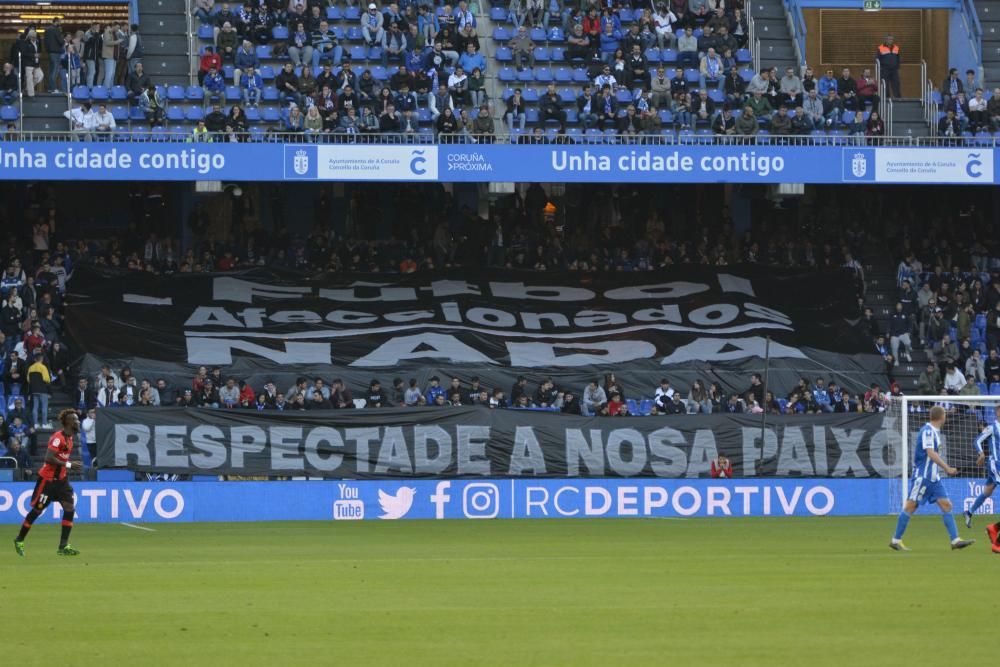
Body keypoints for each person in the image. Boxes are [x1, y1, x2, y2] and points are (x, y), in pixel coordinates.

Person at [889, 406, 974, 551]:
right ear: (942, 417)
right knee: (910, 506)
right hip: (923, 477)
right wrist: (947, 468)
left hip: (934, 478)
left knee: (946, 505)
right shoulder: (928, 431)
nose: (946, 417)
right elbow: (930, 453)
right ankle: (896, 540)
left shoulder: (935, 431)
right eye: (945, 415)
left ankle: (955, 540)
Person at [13, 409, 83, 557]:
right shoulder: (58, 438)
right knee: (37, 511)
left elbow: (60, 459)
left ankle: (63, 545)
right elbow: (48, 458)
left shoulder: (70, 438)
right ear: (68, 422)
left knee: (70, 508)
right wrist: (69, 465)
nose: (78, 422)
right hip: (48, 481)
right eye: (75, 419)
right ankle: (19, 539)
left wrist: (65, 468)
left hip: (62, 482)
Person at [968, 407, 1000, 548]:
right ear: (998, 412)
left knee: (987, 491)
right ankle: (997, 543)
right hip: (995, 464)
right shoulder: (992, 428)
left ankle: (969, 511)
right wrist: (981, 454)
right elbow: (977, 441)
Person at [877, 34, 900, 99]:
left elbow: (898, 58)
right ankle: (886, 97)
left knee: (896, 83)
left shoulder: (896, 47)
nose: (890, 40)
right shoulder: (880, 47)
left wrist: (897, 66)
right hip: (885, 69)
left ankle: (897, 97)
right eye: (889, 39)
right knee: (885, 84)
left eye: (891, 39)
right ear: (886, 40)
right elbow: (877, 58)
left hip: (894, 69)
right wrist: (881, 68)